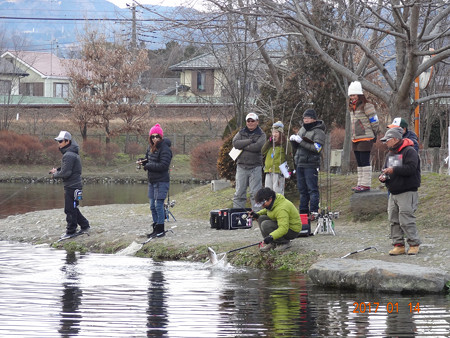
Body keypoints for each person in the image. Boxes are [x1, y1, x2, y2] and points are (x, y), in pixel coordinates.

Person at [379, 127, 421, 255]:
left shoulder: (410, 151)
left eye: (387, 140)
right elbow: (386, 169)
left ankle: (414, 244)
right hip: (393, 192)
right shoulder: (390, 153)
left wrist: (394, 170)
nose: (386, 142)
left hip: (407, 191)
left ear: (396, 139)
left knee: (406, 218)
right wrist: (383, 178)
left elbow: (411, 169)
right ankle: (398, 245)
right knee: (393, 219)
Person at [49, 131, 90, 239]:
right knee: (73, 207)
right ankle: (85, 225)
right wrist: (57, 170)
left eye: (61, 141)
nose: (59, 143)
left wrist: (55, 175)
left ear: (68, 141)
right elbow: (67, 168)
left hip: (72, 186)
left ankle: (71, 231)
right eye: (58, 141)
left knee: (69, 209)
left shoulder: (69, 155)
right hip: (74, 186)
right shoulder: (71, 153)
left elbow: (66, 173)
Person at [137, 123, 173, 238]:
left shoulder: (165, 149)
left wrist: (148, 166)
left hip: (162, 181)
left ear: (161, 137)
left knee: (159, 205)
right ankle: (155, 228)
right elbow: (148, 160)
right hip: (152, 181)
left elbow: (163, 166)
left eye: (157, 136)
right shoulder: (149, 148)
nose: (155, 138)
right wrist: (143, 162)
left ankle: (161, 229)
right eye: (152, 136)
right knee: (152, 206)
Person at [289, 109, 326, 219]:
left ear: (314, 119)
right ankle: (303, 214)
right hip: (300, 163)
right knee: (302, 190)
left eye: (308, 118)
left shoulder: (319, 132)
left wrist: (302, 142)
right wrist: (293, 141)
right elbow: (298, 147)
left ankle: (313, 212)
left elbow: (317, 148)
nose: (306, 120)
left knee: (312, 189)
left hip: (311, 164)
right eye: (304, 118)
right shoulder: (302, 129)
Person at [348, 81, 380, 193]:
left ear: (359, 95)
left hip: (365, 137)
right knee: (359, 162)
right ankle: (360, 183)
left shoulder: (367, 106)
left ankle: (365, 184)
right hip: (355, 138)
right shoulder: (352, 107)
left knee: (365, 161)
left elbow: (374, 121)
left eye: (354, 95)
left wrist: (374, 133)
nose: (352, 97)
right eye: (351, 95)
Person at [249, 187, 302, 252]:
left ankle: (283, 243)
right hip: (284, 225)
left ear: (270, 199)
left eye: (263, 204)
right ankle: (272, 243)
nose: (262, 206)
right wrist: (257, 214)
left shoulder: (282, 209)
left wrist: (271, 237)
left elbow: (283, 228)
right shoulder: (273, 202)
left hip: (292, 230)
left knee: (265, 224)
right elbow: (268, 211)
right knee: (261, 218)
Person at [232, 112, 266, 210]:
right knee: (239, 193)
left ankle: (256, 214)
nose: (250, 123)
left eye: (253, 121)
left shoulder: (261, 134)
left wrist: (243, 145)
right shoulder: (241, 132)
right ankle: (237, 213)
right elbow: (235, 143)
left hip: (255, 167)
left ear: (257, 122)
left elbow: (258, 147)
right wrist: (250, 141)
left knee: (255, 193)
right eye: (248, 121)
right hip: (241, 166)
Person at [261, 121, 294, 195]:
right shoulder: (270, 143)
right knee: (268, 192)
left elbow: (289, 157)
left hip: (278, 172)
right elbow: (263, 151)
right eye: (273, 132)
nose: (274, 134)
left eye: (276, 132)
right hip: (268, 171)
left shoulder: (285, 143)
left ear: (280, 133)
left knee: (277, 192)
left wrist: (290, 169)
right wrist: (268, 142)